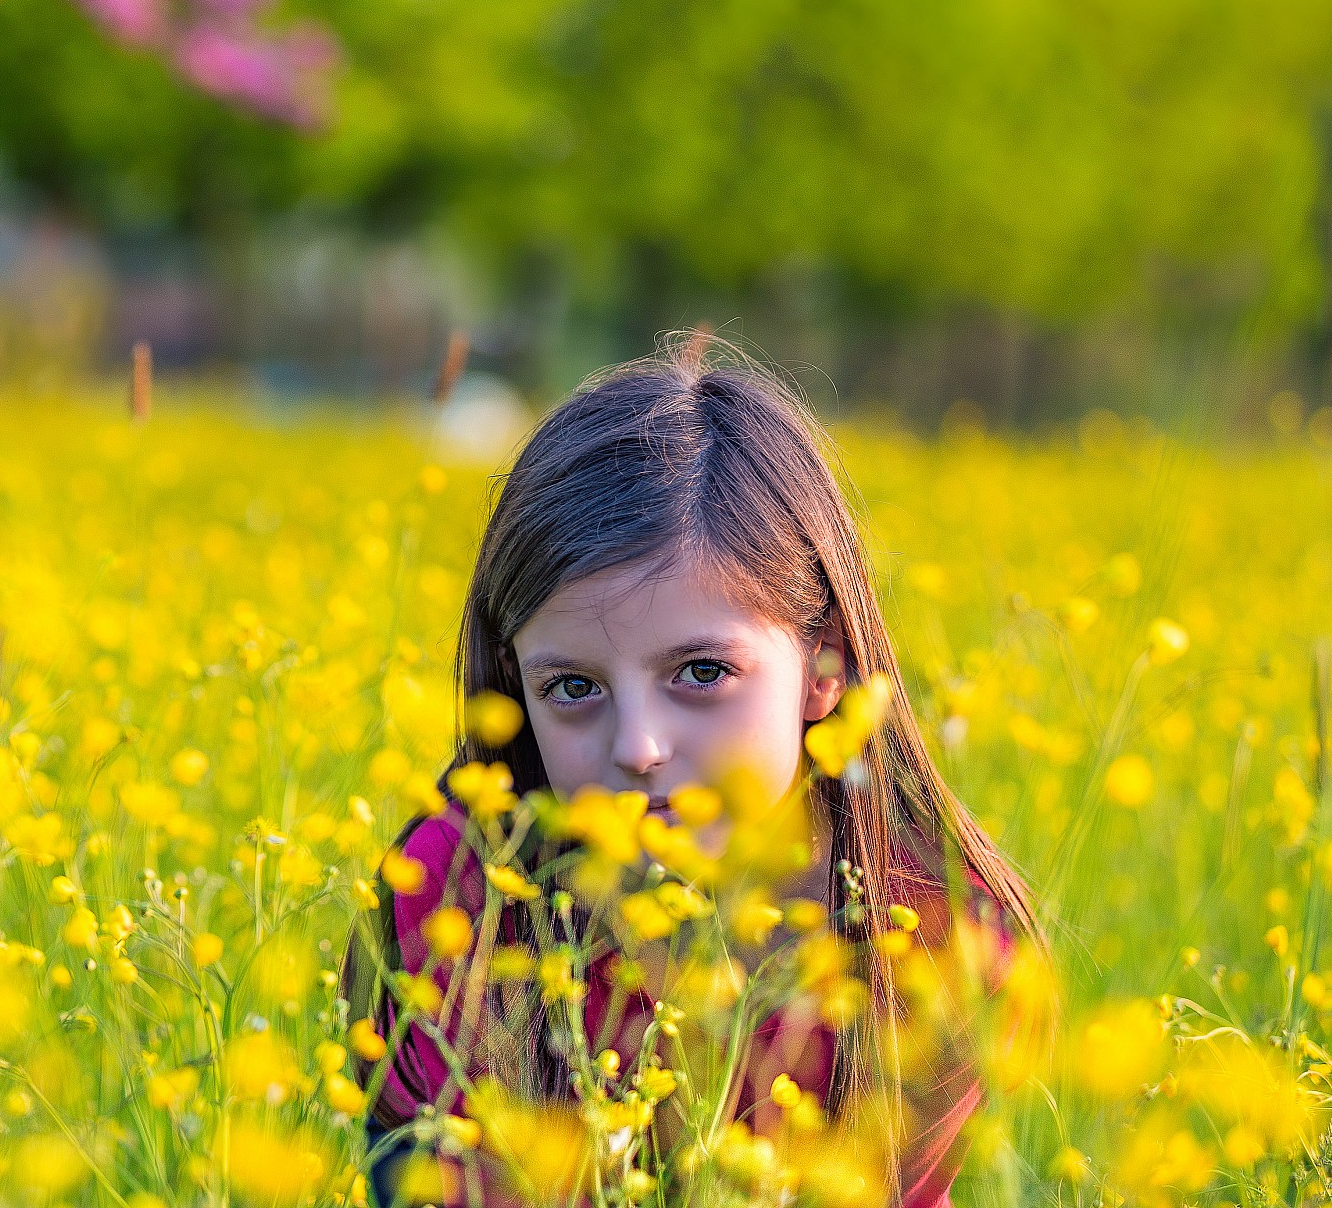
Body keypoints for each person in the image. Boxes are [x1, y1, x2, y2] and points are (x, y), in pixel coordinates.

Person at [344, 341, 1040, 1207]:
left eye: (702, 673)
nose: (637, 746)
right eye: (572, 687)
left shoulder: (939, 943)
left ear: (825, 668)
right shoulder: (451, 898)